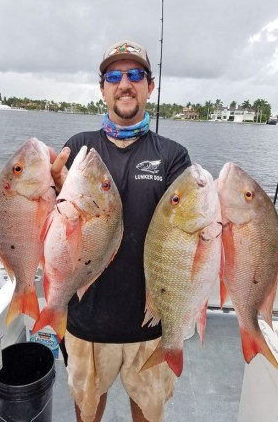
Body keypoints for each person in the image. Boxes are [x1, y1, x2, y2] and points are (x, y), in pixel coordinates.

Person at [51, 40, 191, 422]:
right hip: (85, 321)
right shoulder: (79, 150)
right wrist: (49, 190)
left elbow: (185, 232)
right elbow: (56, 227)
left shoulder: (173, 155)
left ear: (150, 85)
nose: (124, 83)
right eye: (114, 76)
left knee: (147, 414)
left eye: (135, 75)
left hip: (151, 323)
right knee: (87, 413)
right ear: (102, 89)